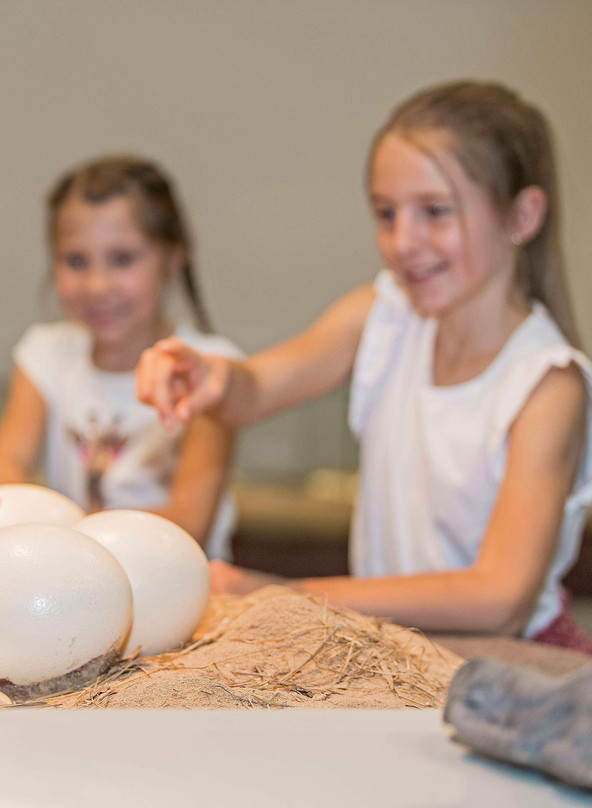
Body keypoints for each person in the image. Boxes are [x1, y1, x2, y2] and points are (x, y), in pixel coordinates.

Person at [136, 81, 592, 652]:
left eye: (435, 211)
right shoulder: (384, 314)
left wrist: (282, 592)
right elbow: (254, 391)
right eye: (386, 213)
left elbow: (498, 598)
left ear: (522, 215)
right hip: (395, 648)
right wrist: (210, 375)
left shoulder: (547, 383)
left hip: (516, 664)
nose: (403, 241)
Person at [0, 155, 242, 559]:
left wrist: (60, 536)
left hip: (176, 590)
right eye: (76, 261)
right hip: (72, 583)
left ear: (173, 259)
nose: (97, 286)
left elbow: (190, 523)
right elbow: (0, 476)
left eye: (122, 259)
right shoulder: (45, 355)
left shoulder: (211, 370)